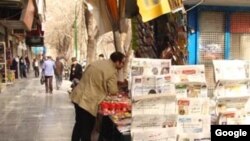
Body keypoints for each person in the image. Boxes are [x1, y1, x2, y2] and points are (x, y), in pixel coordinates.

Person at [70, 51, 126, 141]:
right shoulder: (112, 71)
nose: (123, 65)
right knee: (87, 128)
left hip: (78, 96)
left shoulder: (97, 63)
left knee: (79, 124)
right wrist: (119, 85)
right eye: (122, 62)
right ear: (117, 62)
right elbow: (113, 91)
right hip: (89, 101)